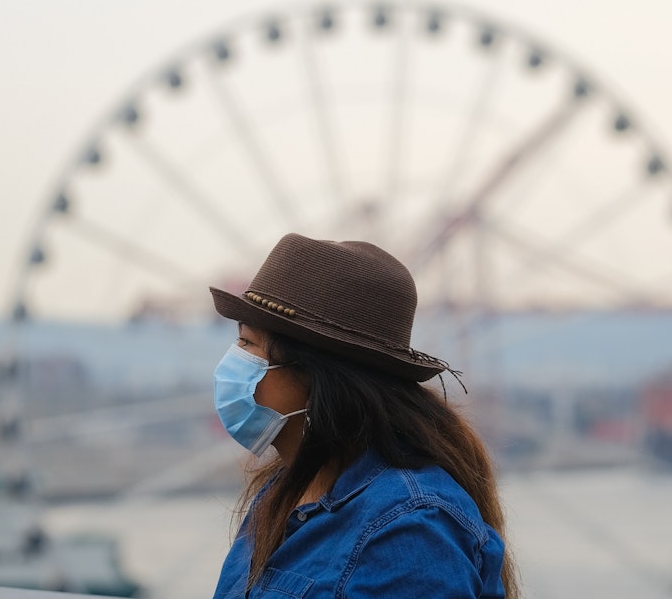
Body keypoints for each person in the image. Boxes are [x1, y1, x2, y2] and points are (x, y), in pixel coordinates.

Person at [209, 233, 519, 598]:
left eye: (248, 344)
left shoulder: (411, 528)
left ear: (315, 374)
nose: (231, 361)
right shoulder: (281, 492)